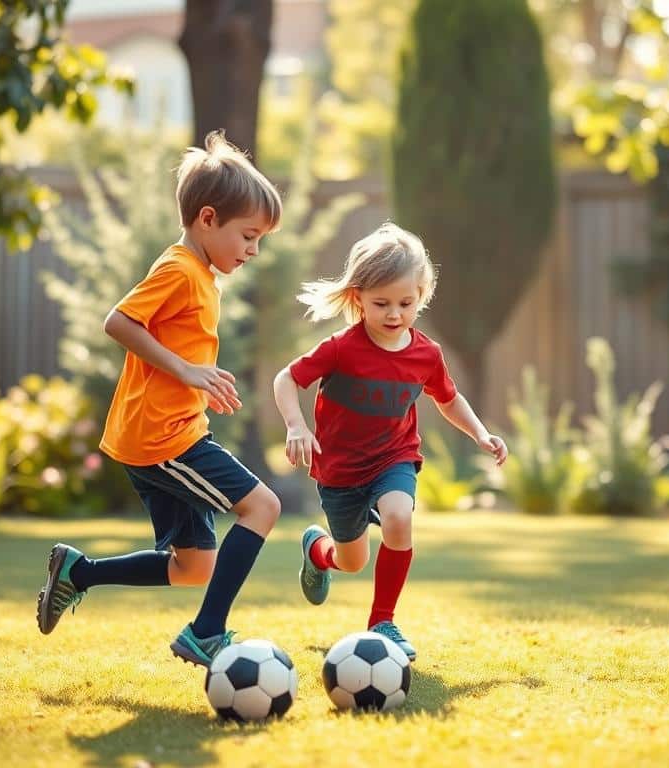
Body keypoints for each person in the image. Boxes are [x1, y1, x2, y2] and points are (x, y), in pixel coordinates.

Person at [36, 131, 283, 667]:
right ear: (208, 219)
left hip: (170, 431)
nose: (253, 250)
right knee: (263, 506)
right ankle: (206, 633)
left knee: (195, 567)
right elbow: (118, 321)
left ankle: (79, 572)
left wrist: (197, 381)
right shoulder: (178, 269)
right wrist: (188, 371)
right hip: (163, 438)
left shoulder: (199, 275)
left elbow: (175, 345)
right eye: (248, 235)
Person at [272, 222, 509, 662]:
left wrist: (480, 433)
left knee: (399, 517)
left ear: (422, 294)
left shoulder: (426, 354)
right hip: (340, 472)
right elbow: (287, 378)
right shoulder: (341, 348)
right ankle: (317, 550)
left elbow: (448, 398)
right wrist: (295, 425)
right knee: (352, 561)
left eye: (407, 302)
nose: (395, 313)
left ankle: (382, 621)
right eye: (381, 303)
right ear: (357, 297)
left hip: (393, 459)